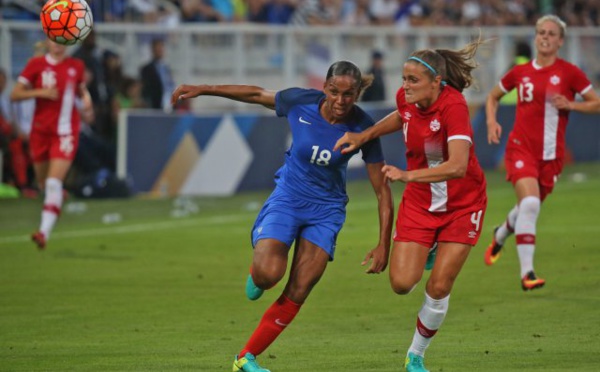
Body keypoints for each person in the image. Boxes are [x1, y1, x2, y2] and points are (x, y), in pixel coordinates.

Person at [171, 60, 394, 372]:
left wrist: (384, 243)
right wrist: (205, 88)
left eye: (349, 94)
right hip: (289, 198)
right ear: (324, 88)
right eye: (334, 92)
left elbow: (382, 191)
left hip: (326, 211)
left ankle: (245, 358)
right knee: (268, 274)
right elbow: (255, 94)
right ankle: (257, 274)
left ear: (357, 94)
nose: (341, 101)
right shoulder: (300, 101)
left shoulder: (364, 127)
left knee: (300, 288)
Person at [334, 38, 488, 372]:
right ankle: (430, 248)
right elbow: (400, 116)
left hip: (463, 204)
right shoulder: (406, 98)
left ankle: (415, 355)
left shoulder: (454, 106)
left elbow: (458, 166)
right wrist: (365, 136)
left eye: (413, 80)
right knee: (402, 284)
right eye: (404, 78)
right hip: (421, 204)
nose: (405, 86)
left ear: (437, 82)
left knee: (439, 285)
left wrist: (406, 175)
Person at [484, 15, 600, 291]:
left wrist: (571, 105)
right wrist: (491, 121)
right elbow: (492, 96)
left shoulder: (570, 73)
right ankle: (528, 274)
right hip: (521, 147)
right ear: (536, 37)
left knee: (526, 207)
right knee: (531, 205)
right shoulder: (520, 72)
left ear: (560, 41)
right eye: (540, 33)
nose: (545, 37)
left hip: (552, 157)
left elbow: (596, 103)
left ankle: (500, 235)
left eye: (550, 33)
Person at [10, 39, 93, 249]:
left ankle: (43, 232)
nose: (58, 44)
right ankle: (55, 200)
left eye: (62, 40)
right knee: (43, 185)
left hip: (65, 132)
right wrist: (39, 92)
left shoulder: (76, 66)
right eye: (54, 40)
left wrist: (87, 101)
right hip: (40, 133)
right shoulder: (36, 65)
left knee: (53, 183)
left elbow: (81, 89)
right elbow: (15, 94)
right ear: (48, 42)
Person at [140, 38, 175, 112]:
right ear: (152, 50)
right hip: (156, 105)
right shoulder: (146, 69)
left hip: (169, 104)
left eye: (161, 48)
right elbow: (146, 89)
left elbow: (170, 84)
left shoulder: (166, 68)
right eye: (157, 49)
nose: (159, 51)